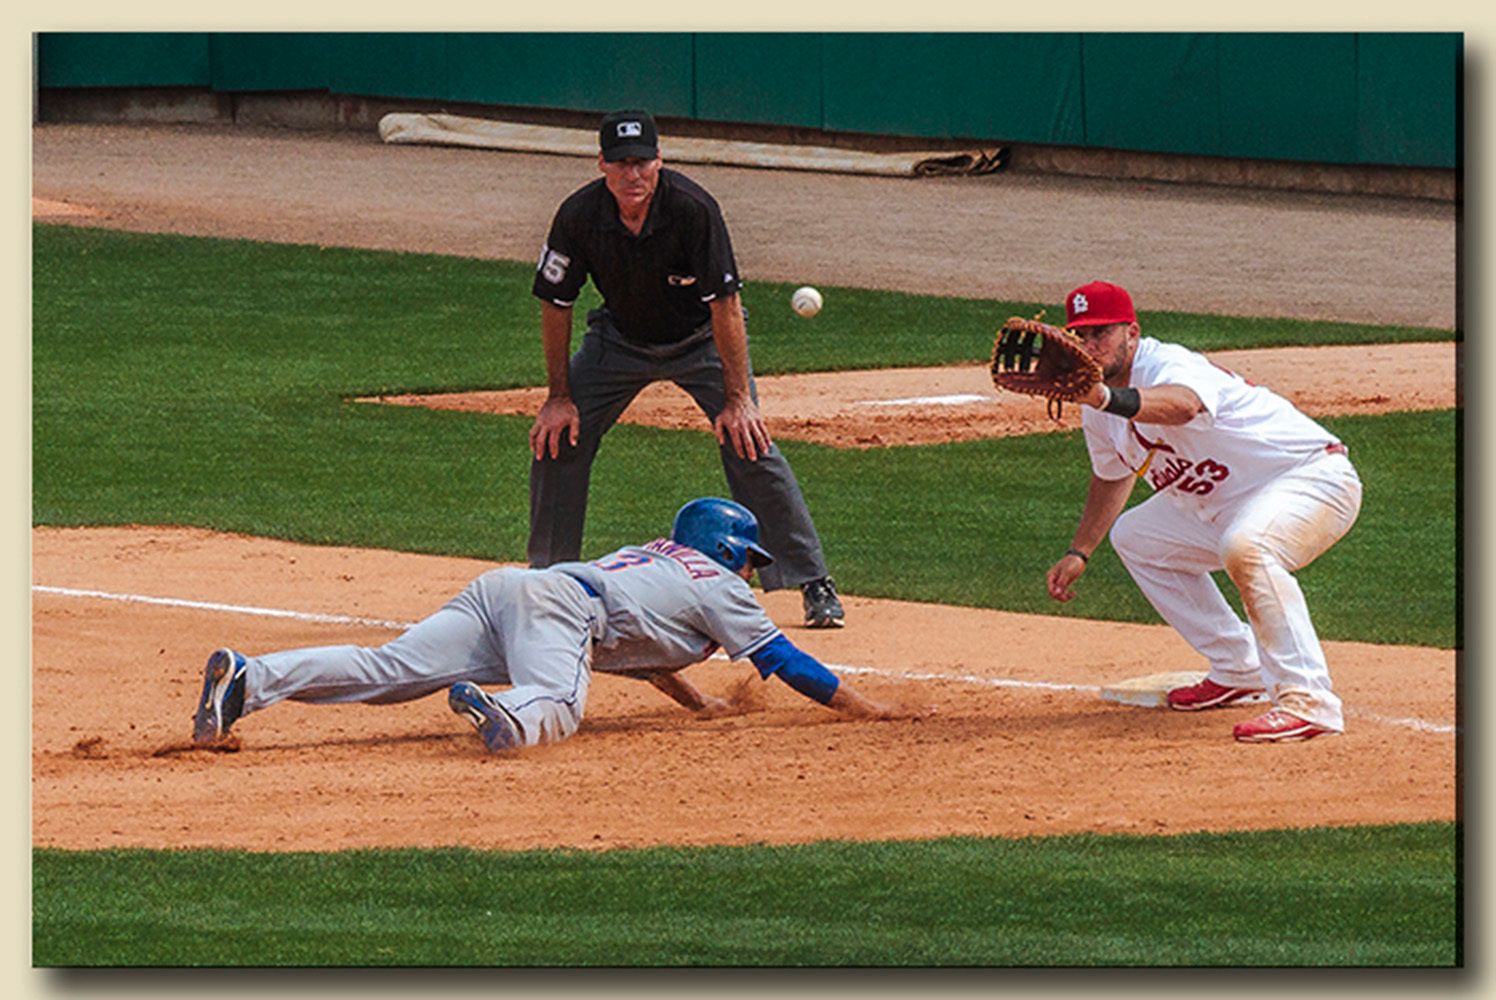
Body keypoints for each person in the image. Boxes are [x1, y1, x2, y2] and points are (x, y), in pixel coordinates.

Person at [192, 498, 917, 751]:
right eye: (750, 558)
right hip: (562, 612)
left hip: (512, 589)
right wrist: (866, 707)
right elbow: (786, 660)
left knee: (390, 669)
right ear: (729, 550)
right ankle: (505, 710)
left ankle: (252, 678)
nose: (754, 572)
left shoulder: (658, 563)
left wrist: (703, 704)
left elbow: (644, 653)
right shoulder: (719, 585)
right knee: (559, 705)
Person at [527, 108, 845, 629]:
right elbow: (555, 303)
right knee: (558, 437)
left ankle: (814, 581)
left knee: (750, 441)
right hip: (618, 341)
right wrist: (559, 396)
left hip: (701, 340)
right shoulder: (579, 214)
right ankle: (547, 579)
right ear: (602, 163)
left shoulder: (694, 209)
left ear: (660, 160)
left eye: (643, 162)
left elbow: (725, 304)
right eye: (622, 163)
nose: (633, 174)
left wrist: (739, 399)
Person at [1044, 281, 1363, 743]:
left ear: (1131, 332)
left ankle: (1309, 700)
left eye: (1102, 332)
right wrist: (1080, 551)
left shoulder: (1167, 364)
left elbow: (1184, 405)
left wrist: (1103, 400)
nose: (1090, 346)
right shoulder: (1095, 402)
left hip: (1310, 479)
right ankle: (1239, 667)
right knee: (1137, 537)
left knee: (1248, 546)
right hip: (1224, 506)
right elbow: (1113, 474)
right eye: (1080, 335)